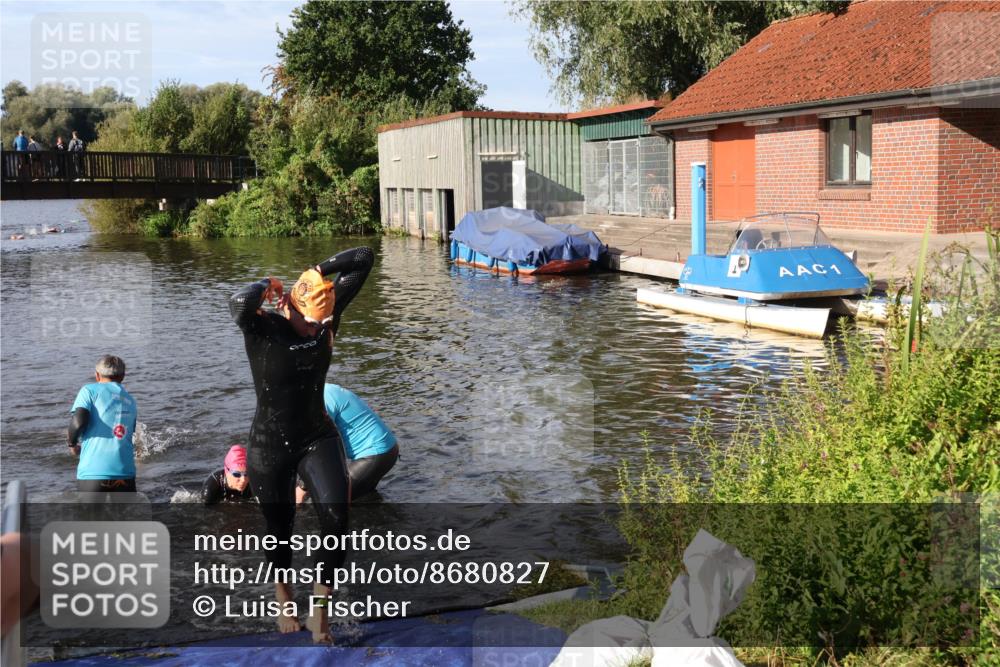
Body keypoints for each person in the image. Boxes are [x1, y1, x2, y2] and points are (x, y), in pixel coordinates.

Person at [229, 246, 374, 642]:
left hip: (316, 435)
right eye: (311, 323)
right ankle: (284, 602)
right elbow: (239, 302)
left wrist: (317, 270)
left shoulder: (326, 315)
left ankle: (320, 614)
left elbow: (363, 257)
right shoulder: (263, 328)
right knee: (279, 529)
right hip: (269, 443)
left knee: (337, 520)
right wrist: (270, 284)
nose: (318, 330)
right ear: (291, 307)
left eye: (323, 323)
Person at [296, 384, 399, 504]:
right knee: (362, 498)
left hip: (375, 454)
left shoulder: (321, 400)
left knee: (328, 501)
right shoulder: (323, 389)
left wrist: (302, 487)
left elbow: (319, 448)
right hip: (386, 449)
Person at [67, 355, 138, 493]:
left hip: (93, 475)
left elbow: (78, 423)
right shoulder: (131, 400)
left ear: (97, 375)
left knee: (91, 515)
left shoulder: (89, 391)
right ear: (122, 376)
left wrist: (72, 444)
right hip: (126, 476)